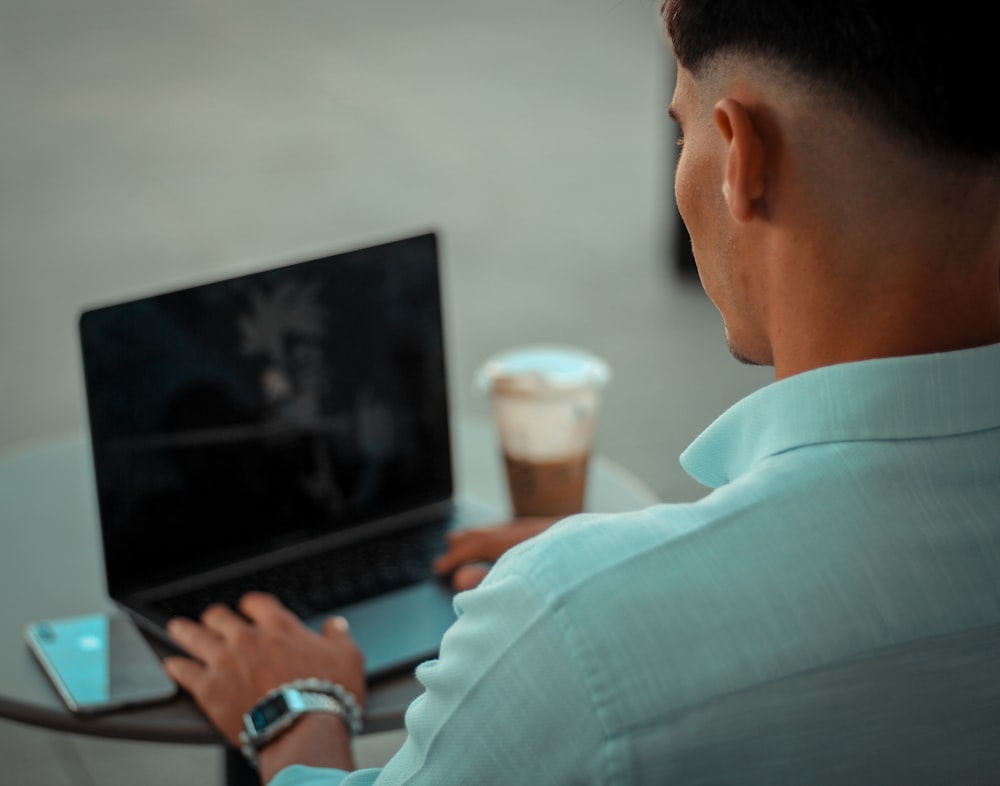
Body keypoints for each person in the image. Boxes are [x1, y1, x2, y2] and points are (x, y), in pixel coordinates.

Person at [163, 1, 1000, 783]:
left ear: (743, 156)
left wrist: (299, 713)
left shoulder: (570, 628)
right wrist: (660, 560)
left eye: (682, 134)